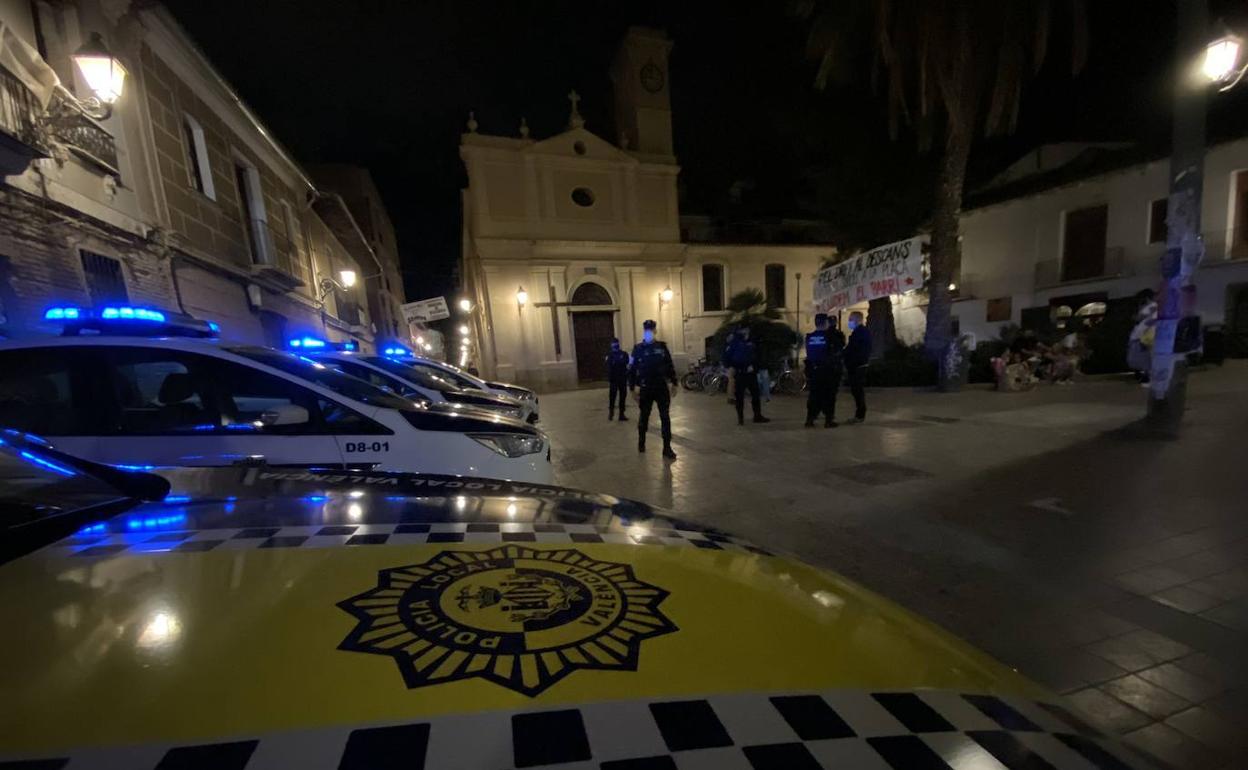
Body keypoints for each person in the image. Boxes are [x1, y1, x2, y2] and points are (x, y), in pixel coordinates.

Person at [628, 320, 678, 459]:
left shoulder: (662, 347)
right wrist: (632, 388)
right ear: (644, 331)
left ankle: (667, 447)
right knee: (644, 416)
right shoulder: (637, 349)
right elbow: (632, 369)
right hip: (646, 388)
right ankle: (641, 441)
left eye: (651, 329)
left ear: (655, 331)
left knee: (665, 418)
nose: (649, 332)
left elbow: (669, 365)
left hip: (661, 387)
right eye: (647, 330)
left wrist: (674, 382)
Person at [804, 313, 845, 428]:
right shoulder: (831, 337)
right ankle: (828, 420)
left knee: (814, 395)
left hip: (813, 370)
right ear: (826, 323)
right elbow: (837, 352)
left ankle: (810, 419)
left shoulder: (809, 337)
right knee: (829, 396)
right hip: (828, 371)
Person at [723, 325, 770, 425]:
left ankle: (756, 416)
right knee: (741, 396)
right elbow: (729, 359)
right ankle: (742, 418)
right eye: (745, 329)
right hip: (741, 373)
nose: (747, 331)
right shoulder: (737, 342)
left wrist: (754, 366)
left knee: (755, 395)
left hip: (750, 373)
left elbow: (755, 356)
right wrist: (741, 367)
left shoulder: (750, 342)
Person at [844, 311, 871, 424]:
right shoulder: (860, 332)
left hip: (858, 366)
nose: (849, 322)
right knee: (856, 391)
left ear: (857, 320)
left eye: (851, 319)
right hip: (858, 365)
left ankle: (860, 415)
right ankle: (859, 414)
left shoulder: (860, 333)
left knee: (857, 391)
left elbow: (854, 350)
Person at [1128, 289, 1158, 385]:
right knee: (1147, 357)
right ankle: (1149, 376)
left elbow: (1138, 318)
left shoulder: (1151, 307)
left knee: (1146, 356)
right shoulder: (1154, 307)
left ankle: (1149, 378)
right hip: (1147, 336)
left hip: (1145, 336)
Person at [604, 338, 631, 421]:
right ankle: (611, 412)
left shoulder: (624, 354)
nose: (615, 345)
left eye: (615, 343)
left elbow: (628, 364)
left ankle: (621, 414)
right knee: (612, 397)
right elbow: (608, 367)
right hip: (614, 379)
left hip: (622, 378)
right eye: (613, 344)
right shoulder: (609, 355)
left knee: (622, 397)